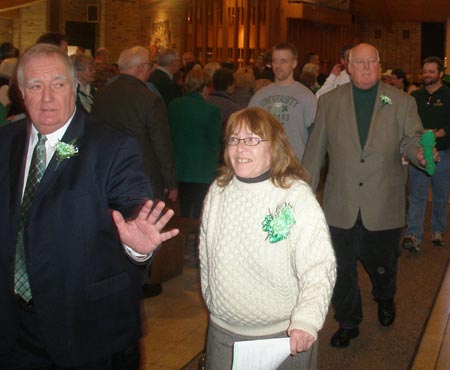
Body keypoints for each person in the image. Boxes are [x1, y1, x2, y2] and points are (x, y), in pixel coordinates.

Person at [0, 43, 179, 370]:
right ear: (21, 93)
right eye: (35, 86)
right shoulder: (5, 142)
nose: (47, 97)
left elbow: (133, 213)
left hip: (86, 330)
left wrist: (137, 250)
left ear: (75, 87)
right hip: (14, 330)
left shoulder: (111, 148)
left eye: (58, 84)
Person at [302, 43, 428, 349]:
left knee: (383, 265)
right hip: (339, 203)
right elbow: (315, 151)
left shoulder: (401, 101)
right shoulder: (329, 101)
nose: (367, 67)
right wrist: (300, 191)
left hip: (383, 202)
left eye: (373, 62)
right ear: (347, 65)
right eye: (360, 62)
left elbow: (412, 139)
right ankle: (348, 321)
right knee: (340, 267)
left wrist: (420, 154)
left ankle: (384, 296)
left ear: (379, 64)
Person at [199, 107, 336, 370]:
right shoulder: (217, 192)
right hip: (223, 332)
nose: (240, 148)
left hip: (283, 336)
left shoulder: (294, 196)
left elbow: (319, 266)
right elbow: (207, 257)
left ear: (274, 146)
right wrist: (214, 301)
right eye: (234, 139)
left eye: (252, 139)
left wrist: (306, 320)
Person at [402, 57, 450, 252]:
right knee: (417, 195)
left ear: (440, 73)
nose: (427, 74)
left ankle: (438, 231)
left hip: (444, 153)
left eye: (431, 71)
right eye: (425, 71)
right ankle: (413, 235)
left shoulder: (448, 95)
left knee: (440, 195)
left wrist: (435, 134)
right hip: (419, 153)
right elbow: (409, 124)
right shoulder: (415, 97)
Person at [249, 42, 316, 161]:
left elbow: (315, 136)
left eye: (283, 61)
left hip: (295, 165)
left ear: (294, 63)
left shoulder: (306, 96)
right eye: (275, 61)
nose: (278, 66)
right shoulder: (259, 97)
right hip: (265, 164)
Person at [168, 69, 221, 218]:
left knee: (182, 210)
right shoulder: (211, 110)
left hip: (179, 167)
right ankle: (196, 240)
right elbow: (214, 141)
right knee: (200, 212)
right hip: (202, 170)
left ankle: (183, 239)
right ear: (204, 88)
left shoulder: (173, 106)